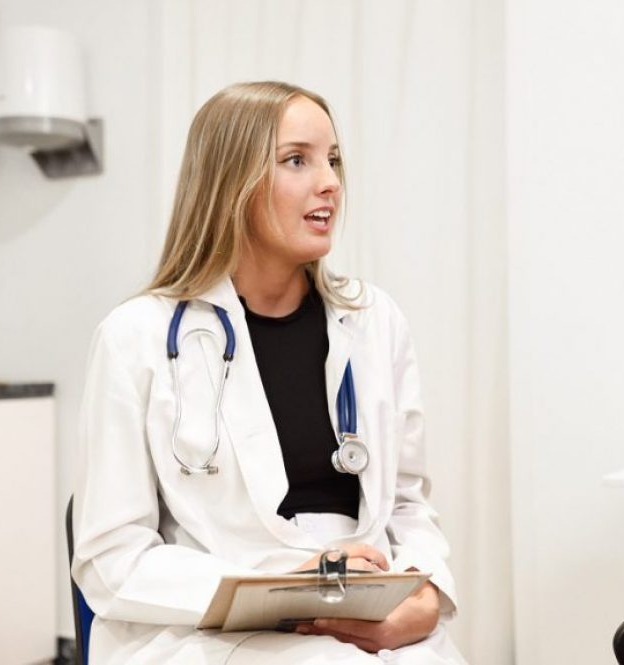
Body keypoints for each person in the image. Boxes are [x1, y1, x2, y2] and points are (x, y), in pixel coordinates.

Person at [71, 81, 464, 664]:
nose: (329, 181)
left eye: (332, 159)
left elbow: (407, 506)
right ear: (231, 184)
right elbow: (112, 557)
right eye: (296, 160)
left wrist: (427, 593)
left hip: (366, 610)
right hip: (207, 630)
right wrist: (284, 592)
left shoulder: (374, 321)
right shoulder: (137, 338)